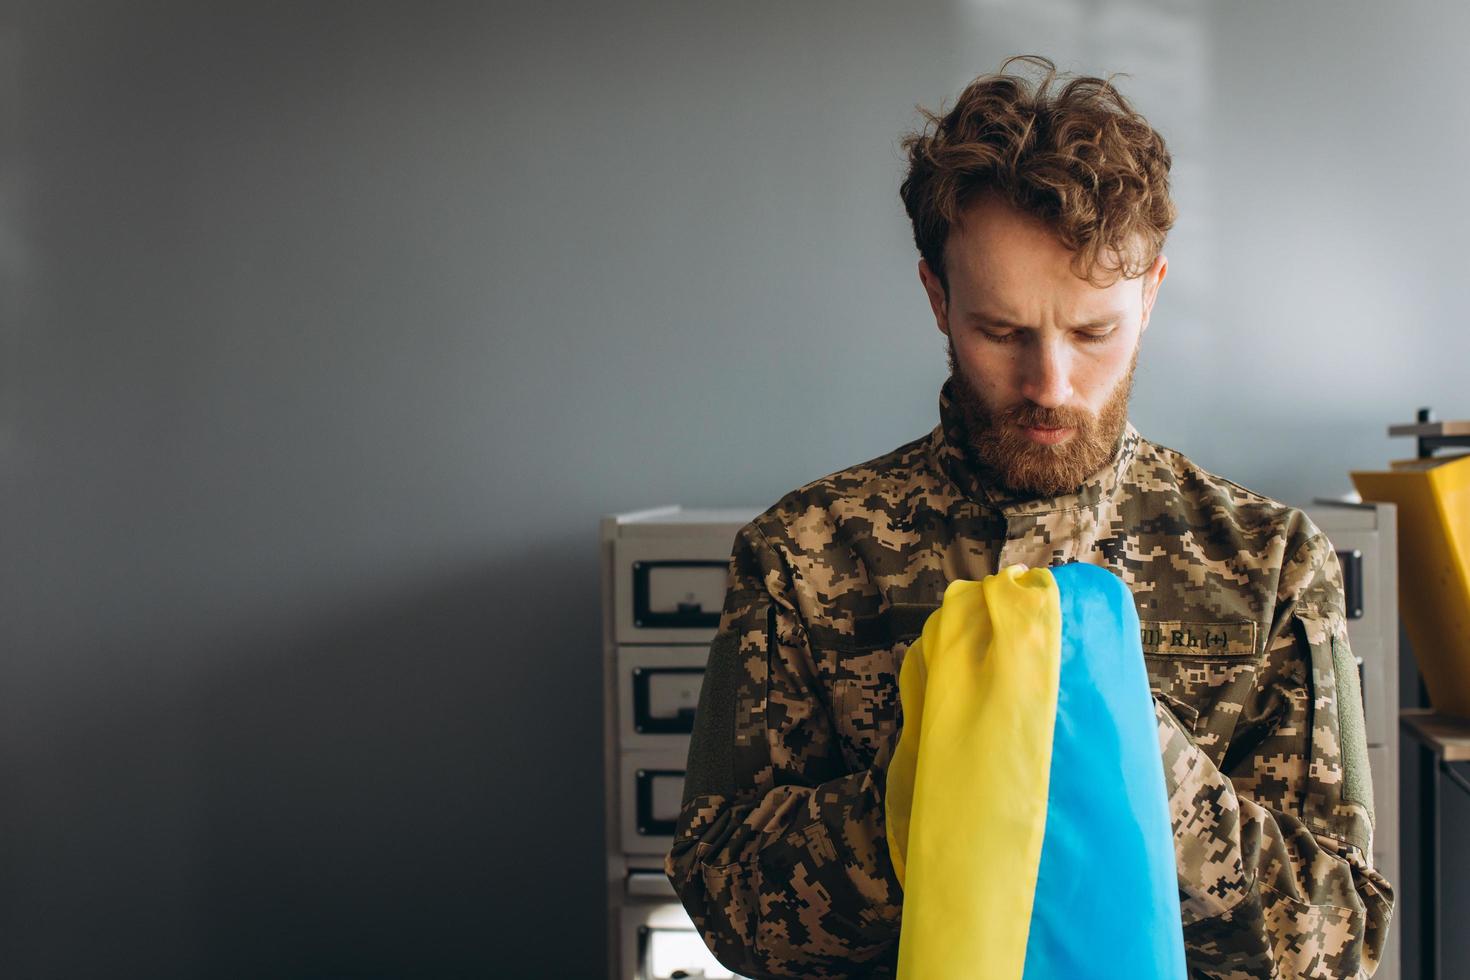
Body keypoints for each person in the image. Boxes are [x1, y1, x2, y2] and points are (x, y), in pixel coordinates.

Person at [663, 54, 1393, 979]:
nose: (1050, 386)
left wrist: (1134, 759)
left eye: (1094, 333)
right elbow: (728, 909)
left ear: (1152, 294)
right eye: (1000, 331)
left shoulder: (1273, 564)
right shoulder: (802, 554)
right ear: (938, 298)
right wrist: (924, 796)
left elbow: (1338, 941)